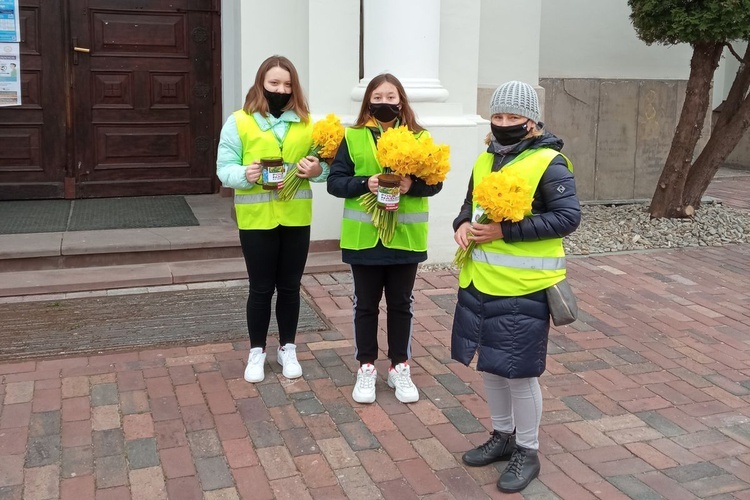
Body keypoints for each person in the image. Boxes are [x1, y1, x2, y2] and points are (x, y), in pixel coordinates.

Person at [451, 81, 581, 493]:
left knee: (520, 373)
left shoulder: (549, 162)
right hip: (480, 282)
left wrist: (504, 232)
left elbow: (567, 218)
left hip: (524, 287)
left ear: (532, 121)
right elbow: (468, 206)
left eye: (513, 117)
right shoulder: (484, 159)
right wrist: (461, 226)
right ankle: (502, 436)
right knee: (491, 364)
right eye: (498, 116)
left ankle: (528, 448)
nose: (504, 124)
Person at [327, 73, 442, 404]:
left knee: (401, 304)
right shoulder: (353, 136)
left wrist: (412, 186)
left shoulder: (420, 139)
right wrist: (366, 183)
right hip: (364, 239)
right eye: (377, 97)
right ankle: (365, 366)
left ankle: (399, 366)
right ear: (368, 103)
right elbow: (335, 182)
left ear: (402, 101)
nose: (384, 103)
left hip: (405, 238)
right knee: (364, 305)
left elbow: (435, 183)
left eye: (391, 97)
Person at [216, 55, 327, 383]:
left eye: (288, 84)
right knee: (261, 288)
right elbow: (225, 169)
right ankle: (256, 351)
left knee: (291, 287)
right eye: (274, 83)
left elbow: (327, 169)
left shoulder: (308, 124)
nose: (281, 89)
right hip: (256, 220)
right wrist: (245, 173)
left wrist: (318, 170)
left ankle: (288, 347)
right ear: (261, 83)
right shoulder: (239, 121)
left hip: (295, 218)